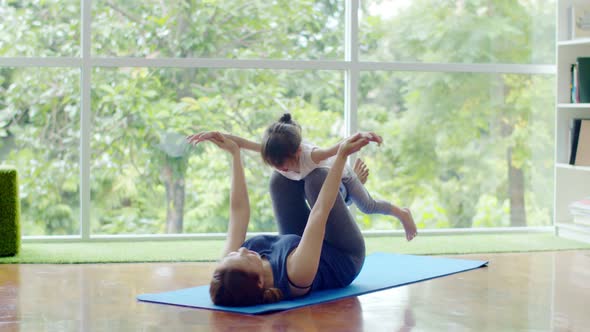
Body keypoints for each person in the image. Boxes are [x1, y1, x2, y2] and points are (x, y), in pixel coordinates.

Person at [186, 131, 377, 306]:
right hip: (344, 254)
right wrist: (342, 156)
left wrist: (235, 154)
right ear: (260, 281)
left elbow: (238, 212)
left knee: (280, 180)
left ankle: (343, 194)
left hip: (301, 242)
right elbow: (320, 212)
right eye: (244, 257)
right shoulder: (296, 273)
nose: (241, 250)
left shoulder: (232, 268)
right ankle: (349, 190)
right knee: (316, 179)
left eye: (233, 254)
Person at [263, 113, 416, 241]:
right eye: (274, 164)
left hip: (343, 177)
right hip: (319, 183)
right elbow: (256, 147)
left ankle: (402, 213)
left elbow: (339, 148)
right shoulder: (277, 156)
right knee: (311, 191)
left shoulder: (311, 156)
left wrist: (362, 136)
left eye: (282, 163)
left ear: (297, 152)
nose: (280, 168)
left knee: (368, 206)